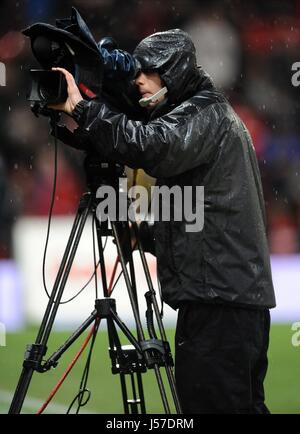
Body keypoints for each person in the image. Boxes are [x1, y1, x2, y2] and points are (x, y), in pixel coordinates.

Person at [49, 29, 276, 414]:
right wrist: (144, 235)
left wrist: (84, 110)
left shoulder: (205, 114)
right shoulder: (206, 115)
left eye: (148, 71)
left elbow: (151, 147)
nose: (139, 80)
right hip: (224, 299)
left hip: (220, 303)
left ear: (174, 73)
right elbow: (198, 213)